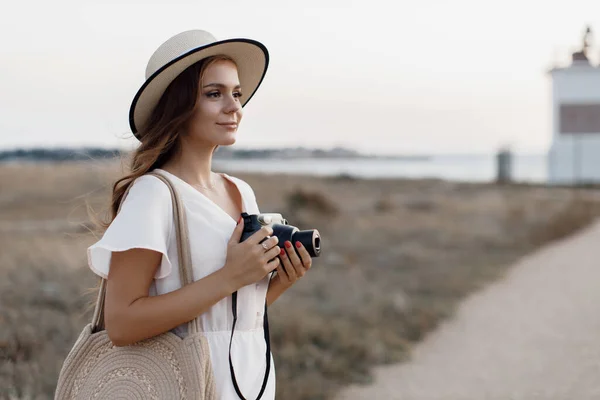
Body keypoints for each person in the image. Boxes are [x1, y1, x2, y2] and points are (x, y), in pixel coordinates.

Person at [87, 29, 313, 399]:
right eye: (214, 94)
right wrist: (230, 277)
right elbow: (122, 323)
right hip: (183, 384)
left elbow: (225, 322)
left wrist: (277, 281)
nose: (234, 107)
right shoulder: (154, 194)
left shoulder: (241, 192)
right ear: (178, 105)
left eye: (236, 93)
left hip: (248, 379)